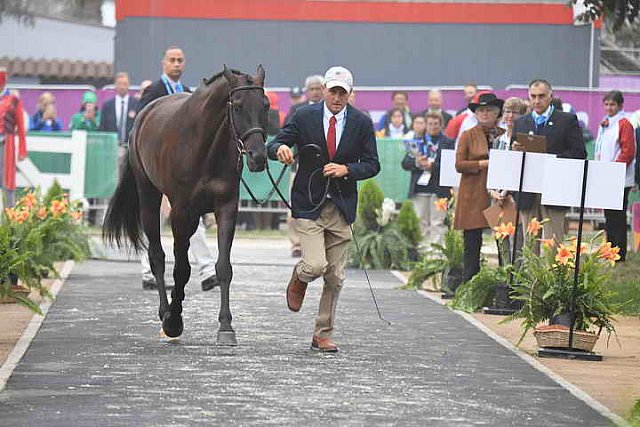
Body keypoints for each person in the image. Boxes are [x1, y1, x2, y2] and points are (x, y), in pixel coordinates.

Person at [267, 66, 380, 352]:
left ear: (350, 94)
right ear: (324, 90)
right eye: (333, 91)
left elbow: (372, 164)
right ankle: (300, 276)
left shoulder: (362, 123)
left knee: (335, 276)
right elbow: (276, 142)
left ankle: (322, 333)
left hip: (341, 207)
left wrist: (347, 169)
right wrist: (280, 149)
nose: (337, 97)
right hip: (309, 203)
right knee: (316, 265)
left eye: (343, 92)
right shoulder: (304, 116)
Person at [136, 46, 218, 292]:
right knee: (153, 218)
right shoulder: (153, 92)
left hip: (182, 171)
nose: (176, 64)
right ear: (163, 63)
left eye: (180, 60)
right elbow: (140, 129)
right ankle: (148, 270)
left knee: (190, 217)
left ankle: (207, 270)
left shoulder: (188, 94)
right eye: (172, 60)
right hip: (154, 166)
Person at [512, 79, 586, 242]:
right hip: (527, 190)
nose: (537, 101)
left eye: (542, 96)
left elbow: (579, 152)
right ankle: (530, 269)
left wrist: (554, 159)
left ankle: (553, 268)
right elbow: (513, 155)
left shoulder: (567, 120)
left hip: (554, 189)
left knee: (553, 243)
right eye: (533, 96)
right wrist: (515, 150)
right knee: (529, 243)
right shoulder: (521, 123)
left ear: (550, 96)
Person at [454, 93, 505, 283]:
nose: (484, 114)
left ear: (497, 113)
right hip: (474, 194)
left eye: (489, 110)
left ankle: (503, 285)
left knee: (504, 240)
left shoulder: (504, 135)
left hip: (500, 195)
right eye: (481, 110)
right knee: (472, 242)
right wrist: (483, 164)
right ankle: (469, 284)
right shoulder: (468, 135)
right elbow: (459, 164)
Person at [595, 90, 636, 261]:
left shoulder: (624, 123)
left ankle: (619, 253)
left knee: (617, 215)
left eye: (612, 104)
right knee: (609, 216)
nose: (609, 107)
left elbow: (628, 151)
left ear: (620, 106)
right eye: (606, 104)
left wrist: (614, 170)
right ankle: (610, 250)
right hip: (606, 175)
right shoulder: (605, 123)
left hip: (619, 177)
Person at [402, 112, 454, 242]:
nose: (432, 127)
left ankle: (437, 255)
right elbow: (405, 163)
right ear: (425, 125)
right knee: (420, 223)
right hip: (420, 189)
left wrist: (433, 166)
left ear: (441, 125)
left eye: (436, 124)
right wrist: (417, 162)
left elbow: (450, 167)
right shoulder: (417, 142)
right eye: (430, 123)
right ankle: (423, 254)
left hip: (439, 189)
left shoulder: (448, 142)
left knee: (438, 223)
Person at [0, 69, 27, 208]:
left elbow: (21, 126)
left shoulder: (13, 100)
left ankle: (8, 217)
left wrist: (22, 150)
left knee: (7, 182)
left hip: (6, 143)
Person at [99, 72, 139, 146]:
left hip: (130, 147)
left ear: (129, 85)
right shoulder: (107, 106)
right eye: (119, 84)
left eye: (124, 84)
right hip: (111, 147)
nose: (122, 87)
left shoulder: (136, 104)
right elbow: (102, 128)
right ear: (115, 85)